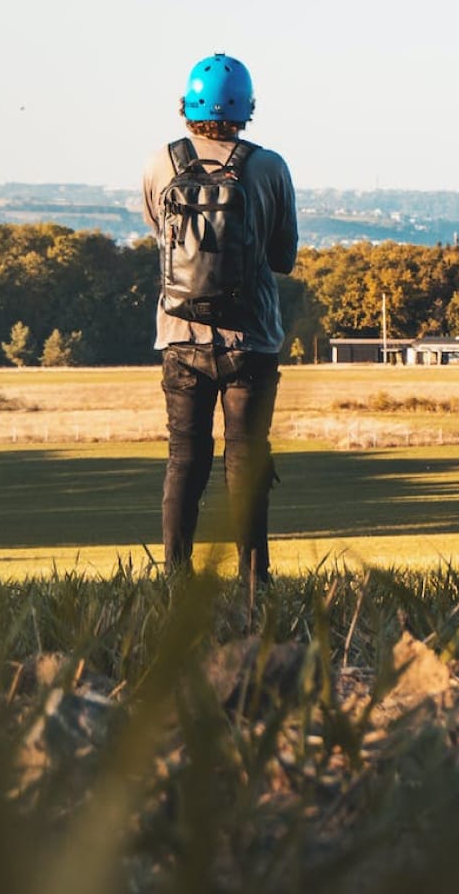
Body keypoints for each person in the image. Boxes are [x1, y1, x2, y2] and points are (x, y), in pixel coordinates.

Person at [141, 53, 298, 583]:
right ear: (246, 108)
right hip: (251, 338)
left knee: (185, 458)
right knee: (246, 458)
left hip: (180, 337)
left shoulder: (161, 162)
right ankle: (255, 581)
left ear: (187, 106)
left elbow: (162, 238)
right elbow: (283, 258)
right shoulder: (269, 166)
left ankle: (175, 579)